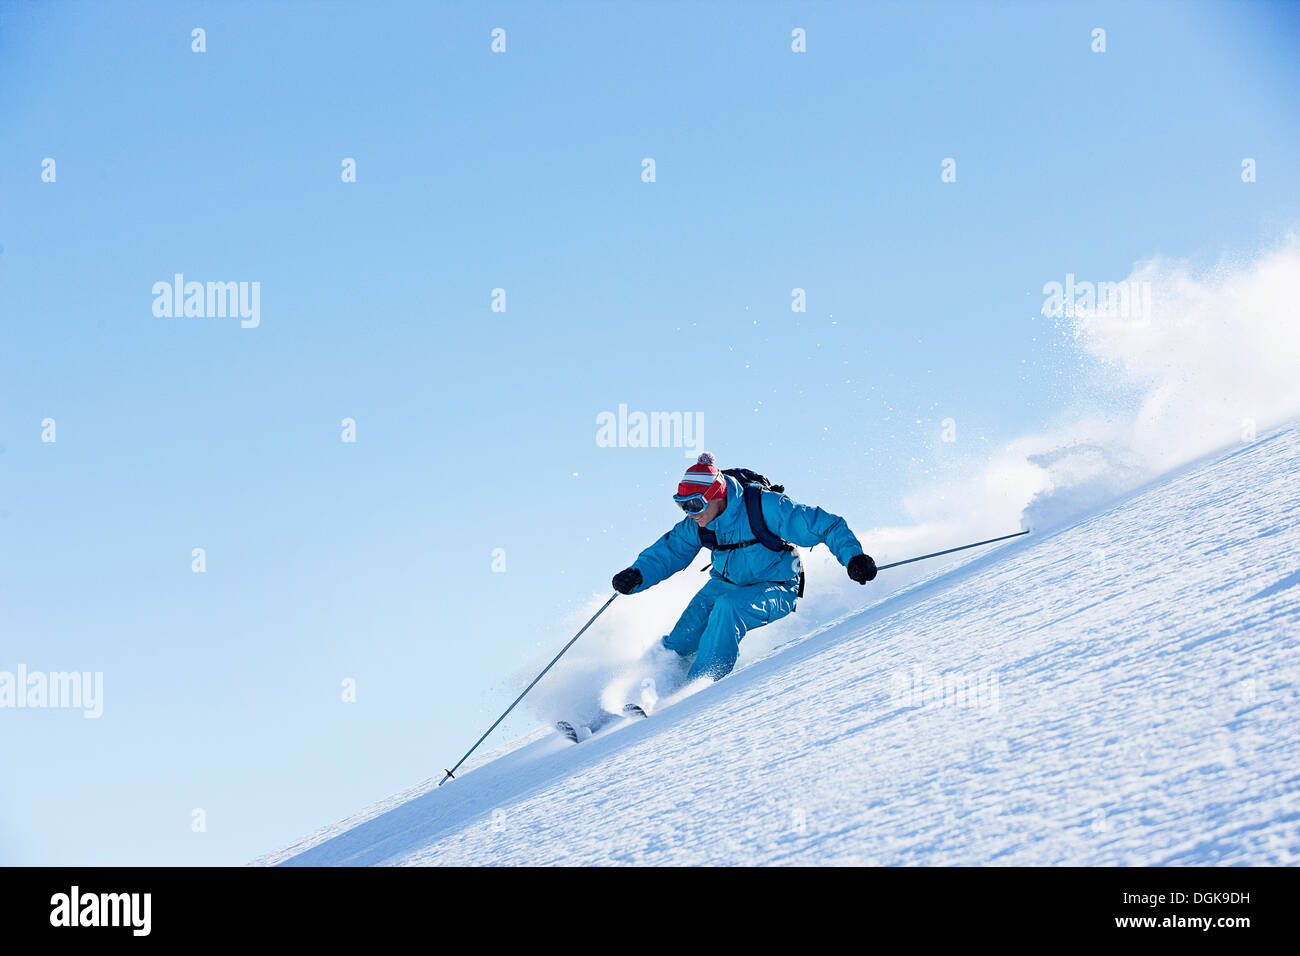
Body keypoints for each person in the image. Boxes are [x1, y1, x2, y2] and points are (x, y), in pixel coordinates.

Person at [611, 452, 876, 690]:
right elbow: (669, 552)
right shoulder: (699, 523)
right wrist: (637, 574)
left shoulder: (766, 507)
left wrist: (854, 557)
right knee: (680, 640)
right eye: (682, 505)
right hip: (725, 583)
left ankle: (693, 691)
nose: (689, 513)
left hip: (778, 586)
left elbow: (827, 526)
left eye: (694, 504)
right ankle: (643, 692)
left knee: (729, 609)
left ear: (716, 494)